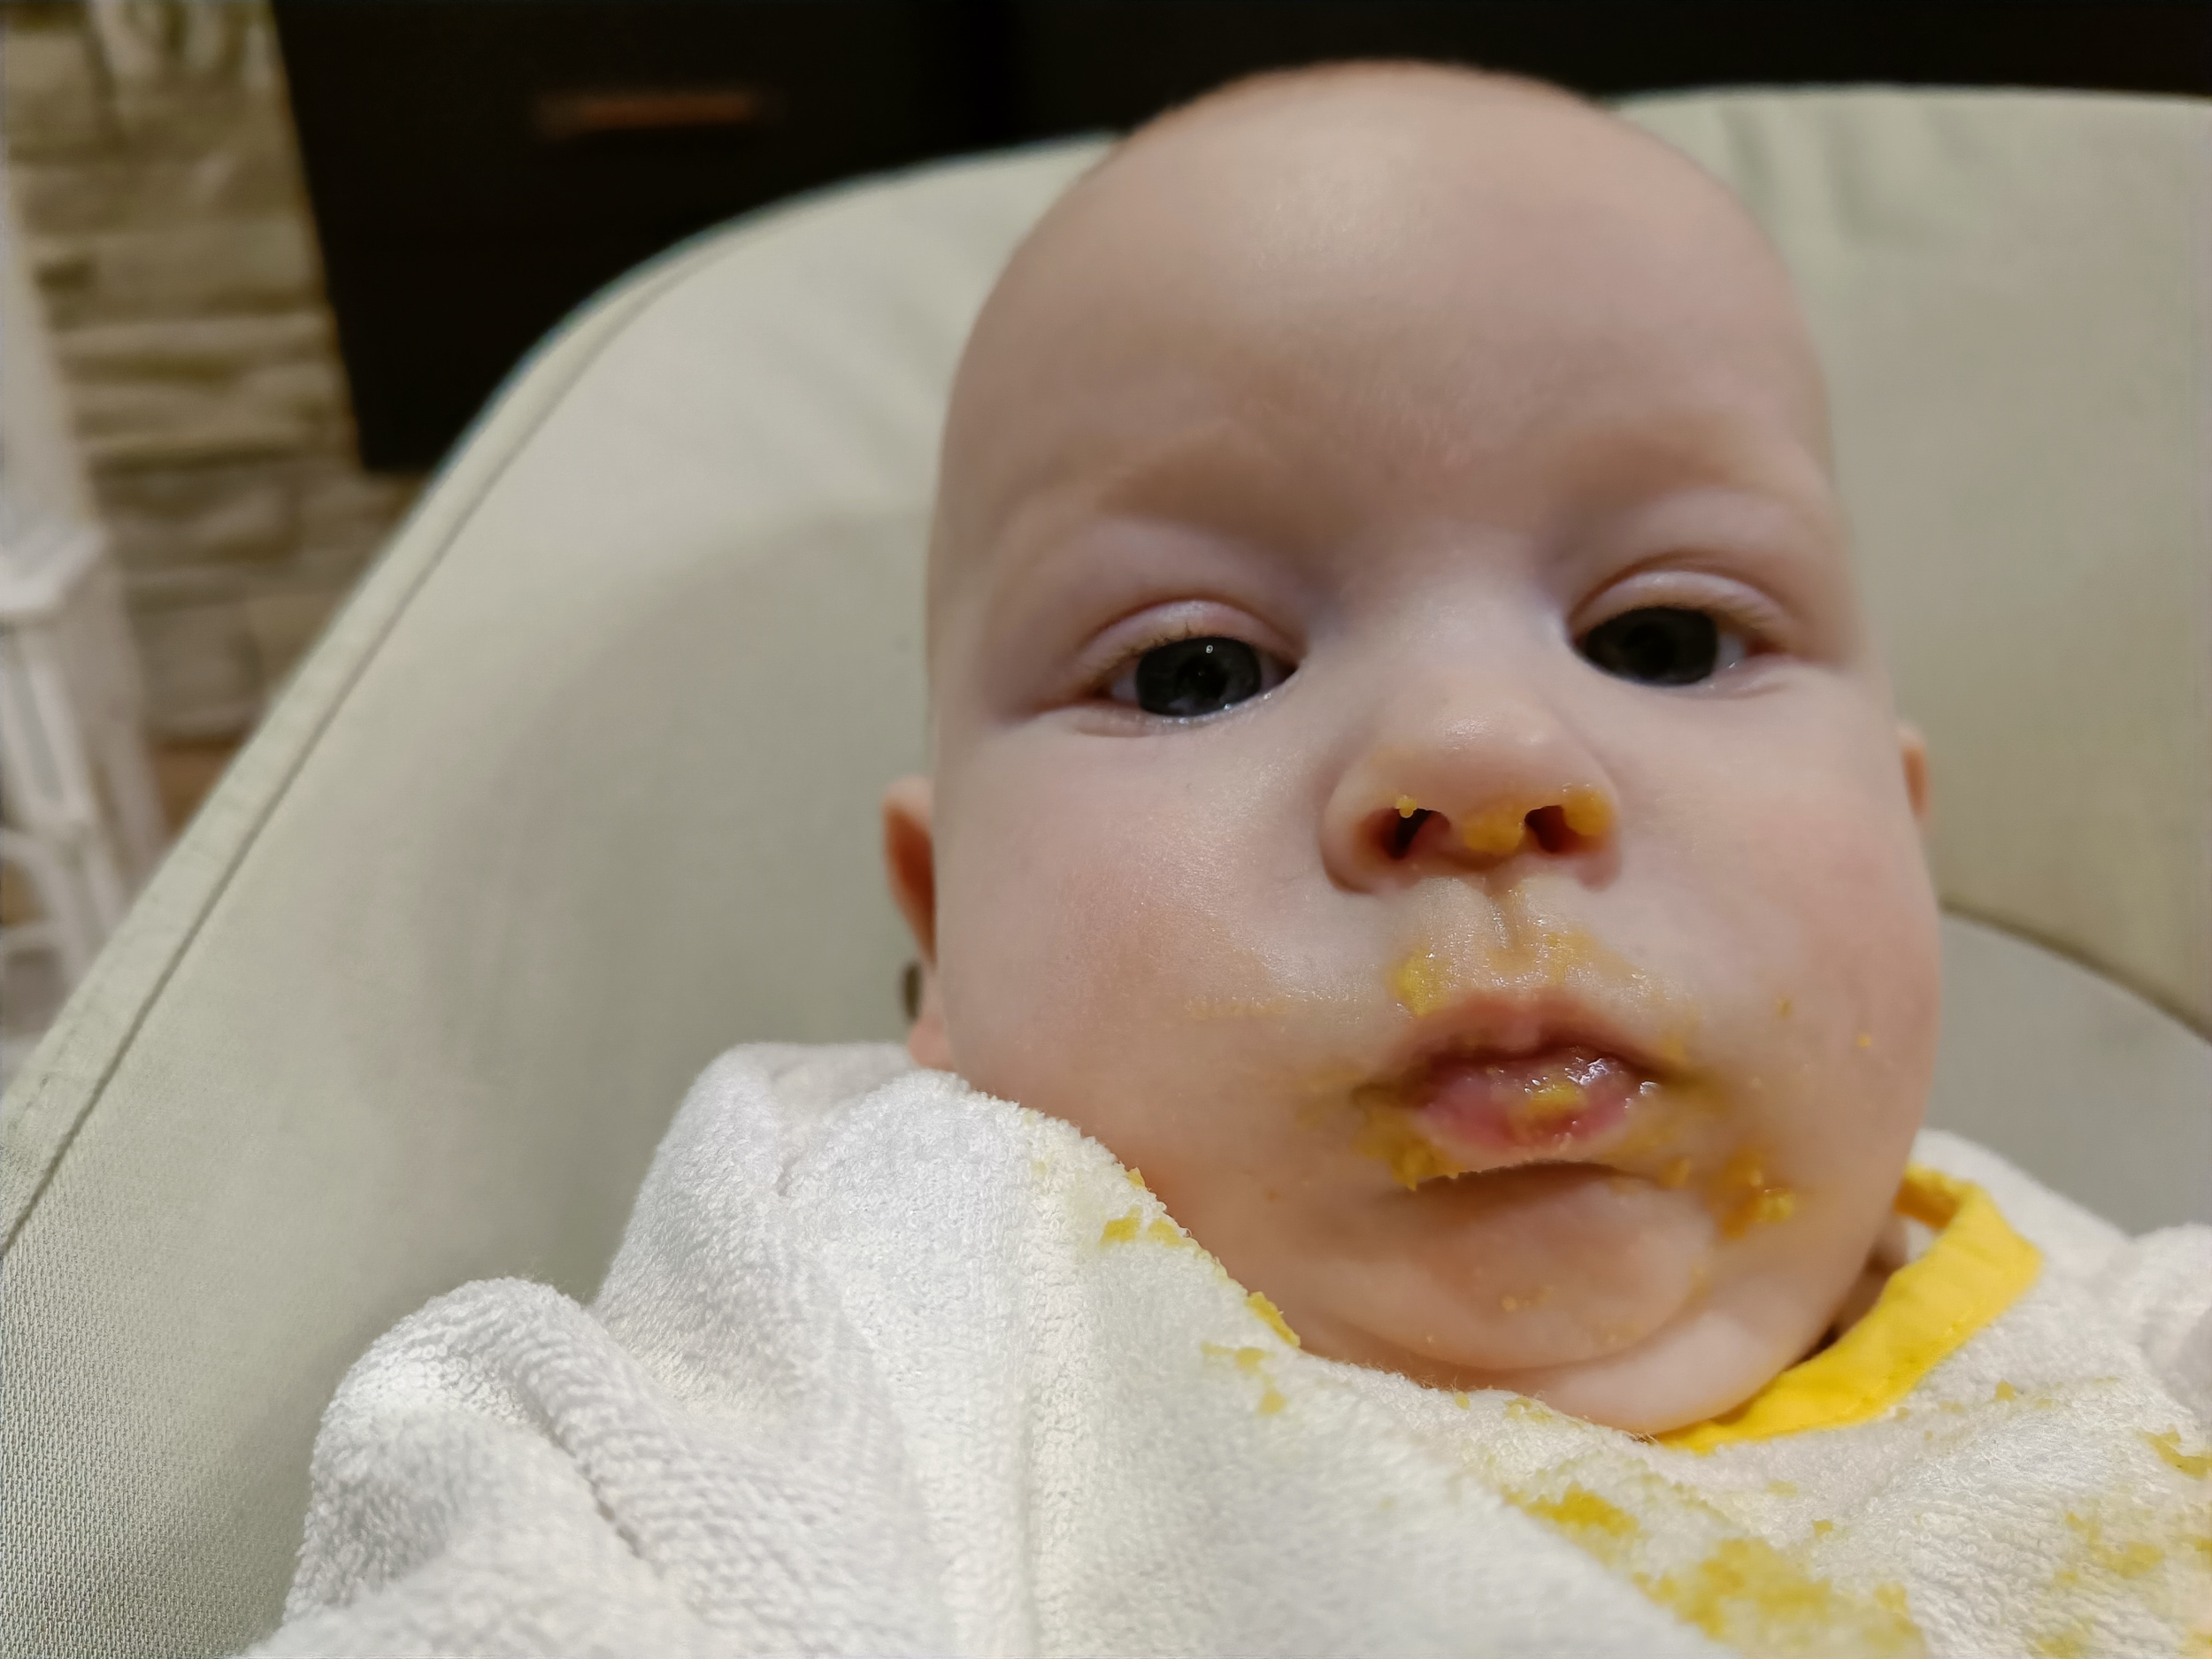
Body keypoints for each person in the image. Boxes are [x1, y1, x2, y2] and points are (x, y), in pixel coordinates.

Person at [249, 65, 2208, 1659]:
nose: (1482, 764)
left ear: (1902, 833)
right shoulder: (881, 1321)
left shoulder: (2138, 1355)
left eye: (1664, 637)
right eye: (1196, 669)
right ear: (942, 936)